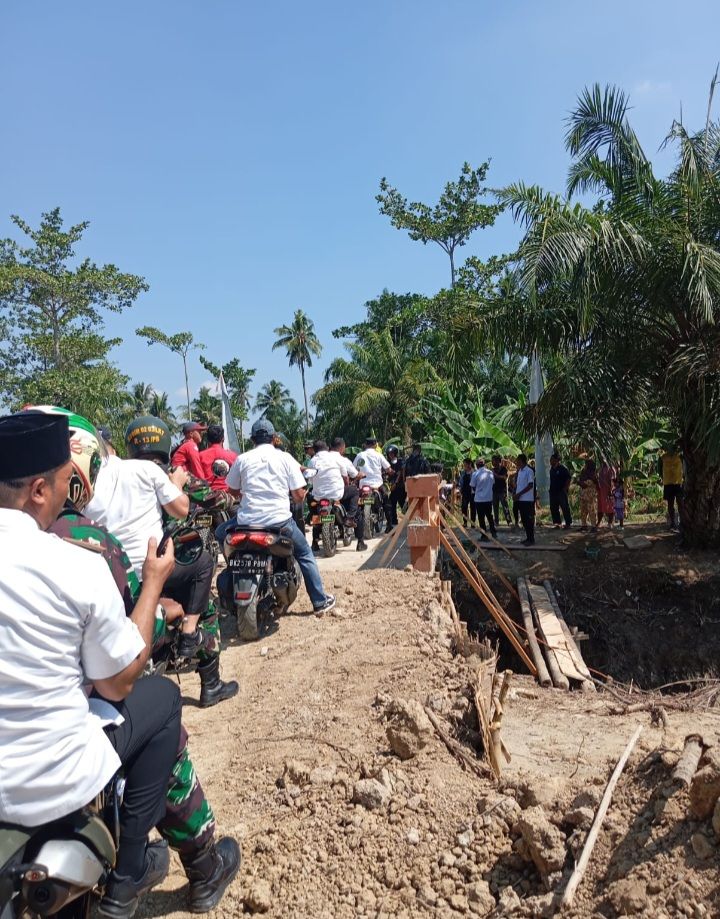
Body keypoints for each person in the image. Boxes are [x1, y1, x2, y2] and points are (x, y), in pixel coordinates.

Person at [40, 407, 240, 913]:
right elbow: (119, 671)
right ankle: (198, 865)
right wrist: (154, 586)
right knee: (163, 720)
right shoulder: (86, 546)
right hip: (144, 582)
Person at [0, 411, 181, 919]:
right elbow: (118, 680)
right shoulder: (77, 562)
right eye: (63, 481)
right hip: (53, 787)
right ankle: (129, 872)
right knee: (162, 699)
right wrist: (153, 583)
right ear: (39, 490)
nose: (69, 492)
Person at [85, 415, 238, 707]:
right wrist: (229, 501)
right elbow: (203, 501)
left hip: (115, 573)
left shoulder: (98, 481)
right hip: (163, 564)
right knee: (205, 600)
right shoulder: (166, 473)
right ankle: (211, 682)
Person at [225, 418, 336, 614]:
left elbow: (232, 490)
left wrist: (245, 495)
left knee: (220, 533)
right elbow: (299, 496)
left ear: (252, 439)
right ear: (274, 438)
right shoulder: (284, 458)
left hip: (246, 523)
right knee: (304, 553)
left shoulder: (242, 459)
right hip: (279, 523)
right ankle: (319, 602)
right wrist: (300, 494)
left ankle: (231, 575)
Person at [308, 439, 365, 551]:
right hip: (337, 494)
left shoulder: (312, 461)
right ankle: (351, 521)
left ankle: (315, 542)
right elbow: (345, 477)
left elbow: (310, 480)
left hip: (319, 497)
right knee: (354, 491)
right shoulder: (339, 459)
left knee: (315, 514)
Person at [330, 437, 367, 551]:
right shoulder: (343, 460)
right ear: (342, 448)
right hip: (339, 494)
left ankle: (314, 542)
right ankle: (360, 542)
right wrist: (360, 475)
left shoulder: (319, 459)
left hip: (321, 495)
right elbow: (352, 475)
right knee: (357, 511)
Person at [353, 437, 391, 526]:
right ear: (375, 445)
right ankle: (389, 524)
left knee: (355, 503)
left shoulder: (359, 455)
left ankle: (355, 523)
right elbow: (388, 469)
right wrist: (391, 472)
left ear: (365, 445)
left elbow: (353, 469)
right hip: (377, 485)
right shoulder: (378, 455)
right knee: (387, 502)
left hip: (363, 485)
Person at [199, 424, 238, 491]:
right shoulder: (233, 456)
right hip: (228, 496)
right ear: (223, 438)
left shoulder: (200, 456)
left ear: (207, 439)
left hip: (207, 496)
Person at [660, 445, 683, 530]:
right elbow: (659, 469)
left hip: (678, 482)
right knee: (670, 504)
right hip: (668, 483)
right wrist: (662, 477)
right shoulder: (663, 457)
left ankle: (682, 522)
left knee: (680, 503)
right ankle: (673, 523)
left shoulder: (680, 456)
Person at [515, 453, 536, 545]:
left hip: (527, 500)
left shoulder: (529, 471)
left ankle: (531, 539)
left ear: (521, 460)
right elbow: (519, 485)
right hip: (520, 500)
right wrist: (515, 493)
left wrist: (519, 494)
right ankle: (528, 538)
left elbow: (530, 485)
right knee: (524, 520)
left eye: (517, 460)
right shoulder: (520, 471)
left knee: (528, 520)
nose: (516, 462)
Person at [473, 459, 496, 539]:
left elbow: (472, 485)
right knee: (490, 516)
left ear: (477, 465)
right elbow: (493, 483)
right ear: (484, 464)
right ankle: (493, 533)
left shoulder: (475, 474)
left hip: (479, 499)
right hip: (488, 498)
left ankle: (484, 535)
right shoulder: (490, 472)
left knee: (481, 518)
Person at [549, 452, 572, 529]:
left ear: (556, 460)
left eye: (552, 459)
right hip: (553, 491)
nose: (550, 461)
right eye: (550, 459)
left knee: (564, 507)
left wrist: (565, 488)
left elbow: (569, 478)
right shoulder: (551, 469)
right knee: (553, 507)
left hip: (561, 491)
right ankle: (557, 523)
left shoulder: (563, 468)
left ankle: (568, 523)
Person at [385, 445, 406, 532]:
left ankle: (410, 521)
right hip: (392, 488)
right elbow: (386, 473)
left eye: (392, 453)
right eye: (389, 453)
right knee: (391, 506)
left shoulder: (401, 461)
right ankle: (393, 523)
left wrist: (396, 483)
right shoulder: (387, 463)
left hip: (400, 487)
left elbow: (401, 473)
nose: (391, 455)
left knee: (403, 505)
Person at [577, 458, 600, 531]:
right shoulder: (584, 472)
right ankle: (584, 525)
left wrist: (579, 482)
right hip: (583, 495)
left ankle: (593, 526)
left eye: (586, 464)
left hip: (590, 497)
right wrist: (580, 482)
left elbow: (584, 484)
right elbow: (581, 482)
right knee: (583, 511)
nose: (585, 465)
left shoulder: (593, 475)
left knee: (591, 511)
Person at [490, 455, 511, 527]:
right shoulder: (492, 470)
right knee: (495, 507)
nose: (492, 462)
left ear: (499, 461)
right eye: (492, 461)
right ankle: (496, 522)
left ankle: (509, 521)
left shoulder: (503, 469)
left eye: (494, 460)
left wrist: (495, 475)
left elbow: (504, 477)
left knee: (505, 507)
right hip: (494, 491)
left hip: (502, 491)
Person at [597, 461, 617, 527]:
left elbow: (612, 480)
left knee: (610, 506)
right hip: (601, 491)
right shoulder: (601, 468)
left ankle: (610, 522)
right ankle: (599, 522)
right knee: (600, 507)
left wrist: (610, 490)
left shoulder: (611, 468)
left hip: (608, 491)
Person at [458, 458, 476, 528]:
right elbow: (461, 482)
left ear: (469, 464)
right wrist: (460, 488)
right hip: (465, 492)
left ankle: (473, 523)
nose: (464, 466)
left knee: (473, 508)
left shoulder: (474, 472)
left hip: (472, 492)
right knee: (464, 507)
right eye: (464, 464)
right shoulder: (463, 472)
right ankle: (465, 522)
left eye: (465, 464)